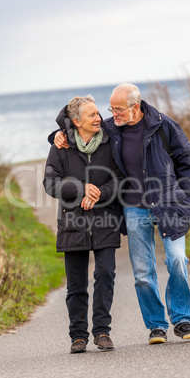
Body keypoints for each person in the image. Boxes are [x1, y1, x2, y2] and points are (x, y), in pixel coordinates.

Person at [51, 83, 190, 345]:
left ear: (135, 106)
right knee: (143, 271)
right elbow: (78, 127)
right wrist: (57, 133)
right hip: (133, 207)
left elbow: (188, 162)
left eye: (117, 109)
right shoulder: (111, 128)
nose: (112, 115)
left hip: (169, 204)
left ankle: (182, 318)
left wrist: (189, 198)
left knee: (177, 260)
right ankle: (156, 325)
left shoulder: (165, 126)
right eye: (111, 109)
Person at [43, 95, 124, 353]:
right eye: (92, 115)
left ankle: (102, 332)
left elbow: (121, 179)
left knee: (105, 275)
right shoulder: (61, 146)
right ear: (76, 121)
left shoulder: (110, 143)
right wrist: (79, 189)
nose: (98, 118)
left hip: (105, 219)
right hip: (72, 223)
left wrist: (101, 192)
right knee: (76, 285)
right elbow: (50, 183)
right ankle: (78, 336)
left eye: (98, 113)